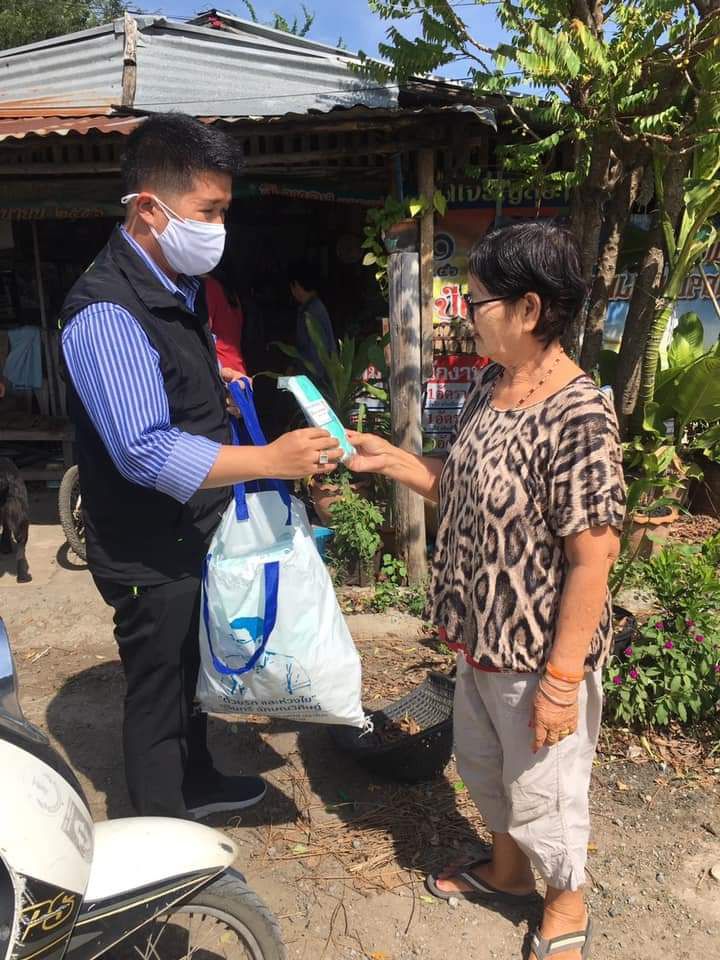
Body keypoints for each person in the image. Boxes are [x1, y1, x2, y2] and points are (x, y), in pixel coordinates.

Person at [346, 220, 625, 960]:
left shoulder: (579, 413)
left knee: (545, 790)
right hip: (480, 637)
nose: (464, 315)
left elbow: (593, 556)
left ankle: (565, 904)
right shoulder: (489, 386)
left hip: (537, 655)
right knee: (485, 767)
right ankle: (507, 871)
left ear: (529, 309)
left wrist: (562, 683)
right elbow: (460, 486)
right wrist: (392, 460)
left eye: (476, 302)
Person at [60, 113, 342, 821]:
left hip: (190, 529)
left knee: (192, 665)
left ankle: (199, 781)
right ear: (149, 208)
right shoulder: (105, 311)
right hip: (144, 546)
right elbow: (144, 448)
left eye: (223, 211)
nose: (218, 228)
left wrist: (215, 385)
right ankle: (160, 831)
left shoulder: (174, 284)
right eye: (207, 211)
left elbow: (169, 382)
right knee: (158, 686)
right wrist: (269, 459)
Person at [288, 260, 337, 383]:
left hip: (316, 379)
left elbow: (316, 352)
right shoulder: (314, 307)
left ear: (296, 286)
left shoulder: (311, 312)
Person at [205, 246, 247, 375]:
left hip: (223, 372)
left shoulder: (210, 287)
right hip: (238, 368)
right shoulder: (231, 292)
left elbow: (203, 331)